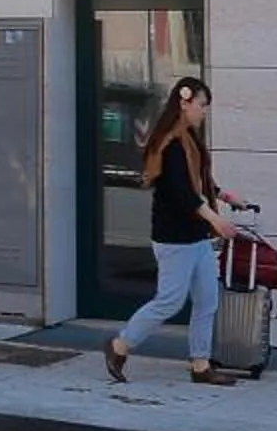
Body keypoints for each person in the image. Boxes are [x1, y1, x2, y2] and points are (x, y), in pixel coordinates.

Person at [105, 76, 245, 388]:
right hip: (174, 236)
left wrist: (223, 196)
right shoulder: (170, 142)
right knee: (169, 301)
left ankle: (200, 364)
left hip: (195, 235)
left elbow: (197, 181)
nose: (204, 112)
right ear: (183, 103)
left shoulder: (189, 139)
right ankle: (119, 346)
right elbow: (182, 193)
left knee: (207, 299)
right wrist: (215, 220)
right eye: (201, 105)